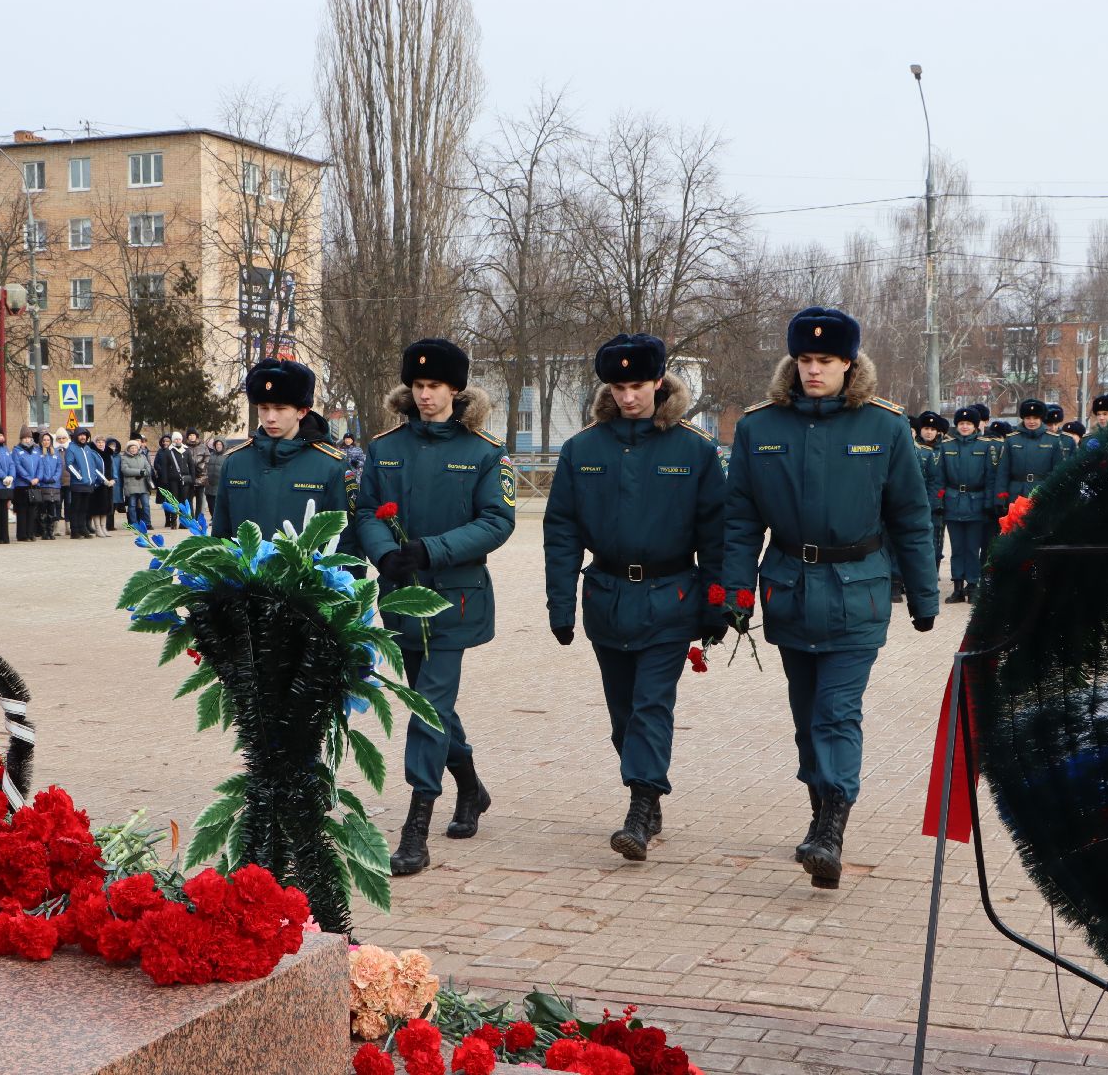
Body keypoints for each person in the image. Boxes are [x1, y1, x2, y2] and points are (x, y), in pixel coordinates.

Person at [722, 307, 938, 890]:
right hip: (790, 589)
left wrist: (923, 594)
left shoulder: (884, 427)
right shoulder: (759, 428)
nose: (815, 371)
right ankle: (820, 809)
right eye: (806, 360)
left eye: (827, 361)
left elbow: (911, 517)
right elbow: (739, 520)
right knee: (805, 715)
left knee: (837, 712)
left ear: (849, 363)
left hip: (857, 592)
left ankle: (832, 827)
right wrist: (736, 592)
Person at [544, 334, 726, 860]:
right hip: (607, 597)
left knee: (651, 705)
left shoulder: (694, 449)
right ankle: (646, 788)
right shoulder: (584, 449)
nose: (628, 397)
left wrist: (718, 602)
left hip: (671, 596)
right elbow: (560, 532)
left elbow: (716, 533)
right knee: (623, 713)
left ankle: (641, 807)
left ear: (659, 383)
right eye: (619, 386)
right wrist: (560, 606)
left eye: (638, 385)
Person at [356, 338, 516, 877]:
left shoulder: (484, 450)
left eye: (435, 387)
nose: (425, 397)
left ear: (456, 390)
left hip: (455, 600)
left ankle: (416, 825)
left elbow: (497, 521)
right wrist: (385, 554)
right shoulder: (385, 448)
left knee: (428, 704)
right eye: (418, 387)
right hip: (401, 595)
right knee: (432, 703)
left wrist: (432, 550)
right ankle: (470, 788)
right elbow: (365, 510)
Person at [212, 359, 361, 556]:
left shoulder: (331, 466)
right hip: (244, 584)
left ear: (302, 411)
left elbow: (347, 544)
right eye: (263, 408)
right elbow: (220, 536)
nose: (270, 417)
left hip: (308, 584)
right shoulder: (236, 462)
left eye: (280, 408)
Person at [936, 406, 994, 604]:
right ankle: (958, 588)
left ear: (975, 426)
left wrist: (988, 503)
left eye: (969, 424)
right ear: (957, 425)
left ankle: (973, 586)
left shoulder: (986, 446)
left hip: (976, 501)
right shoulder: (946, 446)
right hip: (953, 501)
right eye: (961, 423)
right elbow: (939, 477)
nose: (965, 427)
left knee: (973, 548)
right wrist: (939, 501)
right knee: (957, 548)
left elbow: (990, 477)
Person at [1000, 399, 1069, 505]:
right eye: (1028, 418)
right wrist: (1000, 497)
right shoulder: (1011, 440)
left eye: (1035, 418)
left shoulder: (1053, 440)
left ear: (1041, 418)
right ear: (1023, 419)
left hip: (1042, 492)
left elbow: (1058, 471)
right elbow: (1003, 470)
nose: (1031, 422)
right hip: (1017, 493)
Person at [913, 411, 946, 574]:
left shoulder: (944, 448)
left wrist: (938, 500)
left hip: (939, 502)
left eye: (932, 429)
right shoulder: (913, 447)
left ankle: (934, 570)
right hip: (917, 500)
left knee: (936, 539)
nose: (929, 432)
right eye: (926, 428)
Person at [65, 428, 105, 538]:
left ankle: (83, 529)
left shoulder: (88, 448)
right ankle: (75, 531)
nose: (83, 437)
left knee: (84, 508)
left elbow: (92, 465)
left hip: (88, 484)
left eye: (85, 435)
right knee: (76, 508)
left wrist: (95, 478)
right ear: (76, 436)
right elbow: (69, 464)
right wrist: (79, 476)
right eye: (81, 435)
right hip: (78, 484)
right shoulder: (71, 448)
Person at [13, 428, 42, 542]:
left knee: (32, 511)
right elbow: (17, 466)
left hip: (34, 485)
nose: (27, 440)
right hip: (22, 485)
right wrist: (28, 478)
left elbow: (40, 465)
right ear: (21, 439)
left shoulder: (36, 450)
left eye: (29, 438)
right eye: (25, 438)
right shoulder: (16, 450)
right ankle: (22, 534)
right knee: (22, 511)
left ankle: (31, 533)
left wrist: (37, 478)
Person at [152, 433, 187, 529]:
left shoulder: (173, 451)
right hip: (163, 479)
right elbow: (156, 464)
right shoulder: (160, 452)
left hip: (172, 478)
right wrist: (161, 470)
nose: (165, 443)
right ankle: (168, 520)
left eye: (167, 441)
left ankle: (174, 520)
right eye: (164, 441)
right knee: (165, 500)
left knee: (174, 499)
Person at [119, 438, 154, 528]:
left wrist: (143, 473)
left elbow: (148, 468)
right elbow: (125, 470)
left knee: (146, 505)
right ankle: (134, 524)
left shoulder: (142, 457)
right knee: (132, 506)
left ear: (138, 448)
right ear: (128, 449)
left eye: (135, 448)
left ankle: (147, 523)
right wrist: (139, 472)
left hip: (143, 485)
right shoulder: (124, 458)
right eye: (131, 448)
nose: (133, 449)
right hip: (131, 486)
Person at [35, 431, 63, 539]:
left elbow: (59, 467)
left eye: (48, 440)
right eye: (44, 440)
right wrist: (44, 478)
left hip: (54, 486)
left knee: (52, 509)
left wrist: (54, 478)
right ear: (41, 441)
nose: (46, 442)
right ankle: (44, 532)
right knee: (43, 509)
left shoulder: (55, 452)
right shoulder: (37, 453)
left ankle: (50, 531)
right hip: (43, 485)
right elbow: (38, 467)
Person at [96, 437, 121, 535]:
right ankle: (98, 528)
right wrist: (103, 480)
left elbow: (113, 467)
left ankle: (104, 527)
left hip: (109, 483)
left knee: (106, 507)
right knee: (98, 507)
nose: (101, 444)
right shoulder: (94, 454)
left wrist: (114, 479)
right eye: (98, 442)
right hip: (98, 484)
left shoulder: (109, 454)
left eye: (102, 442)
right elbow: (94, 469)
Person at [185, 430, 211, 518]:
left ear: (196, 436)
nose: (192, 437)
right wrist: (190, 469)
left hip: (201, 476)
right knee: (189, 498)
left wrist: (200, 467)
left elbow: (207, 458)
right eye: (190, 435)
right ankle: (191, 517)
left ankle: (198, 517)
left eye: (193, 435)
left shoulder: (203, 447)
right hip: (189, 477)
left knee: (200, 499)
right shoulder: (184, 447)